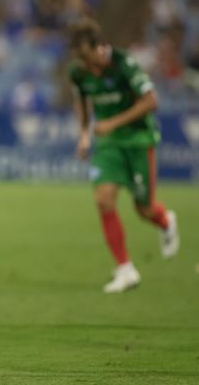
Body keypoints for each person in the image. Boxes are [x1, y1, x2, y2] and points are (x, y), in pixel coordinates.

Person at [69, 18, 180, 294]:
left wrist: (113, 122)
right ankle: (125, 269)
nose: (84, 63)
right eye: (78, 56)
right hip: (108, 145)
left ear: (98, 48)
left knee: (144, 209)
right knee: (103, 199)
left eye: (86, 55)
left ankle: (165, 220)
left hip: (138, 140)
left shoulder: (123, 64)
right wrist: (84, 135)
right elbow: (82, 102)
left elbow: (152, 101)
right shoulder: (79, 72)